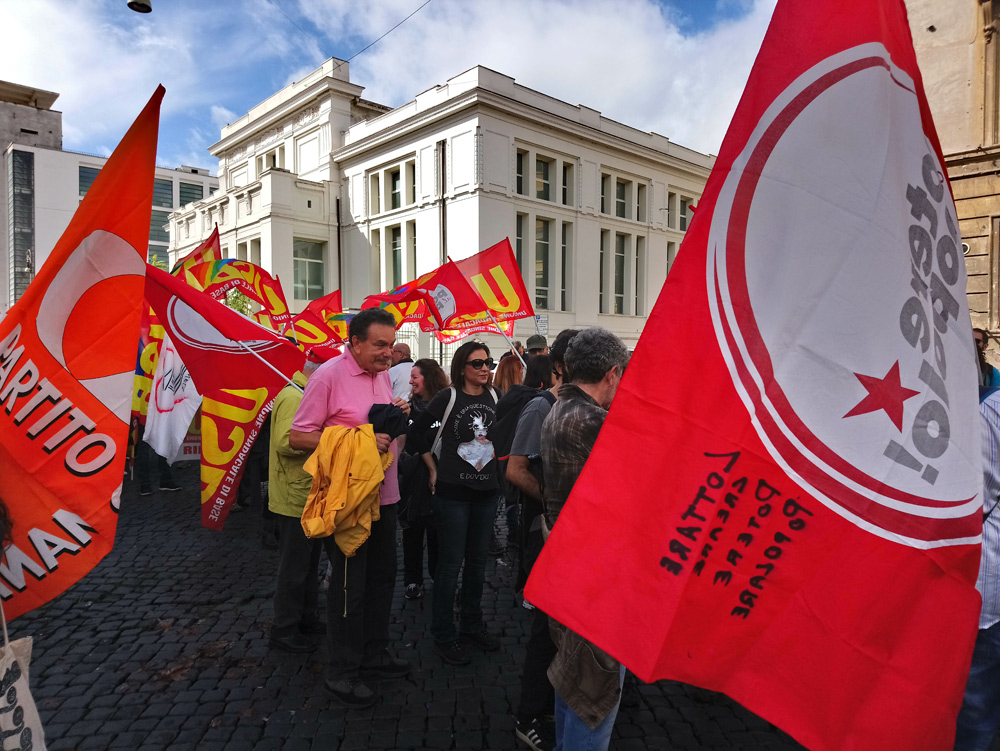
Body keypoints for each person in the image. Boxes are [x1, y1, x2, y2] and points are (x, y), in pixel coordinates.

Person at [289, 307, 411, 708]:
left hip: (385, 497)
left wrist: (395, 416)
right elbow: (299, 437)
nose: (388, 353)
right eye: (380, 345)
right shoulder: (328, 376)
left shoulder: (379, 377)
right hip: (348, 505)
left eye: (391, 346)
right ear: (354, 343)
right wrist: (357, 439)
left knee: (380, 582)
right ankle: (342, 671)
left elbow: (374, 432)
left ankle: (374, 655)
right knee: (347, 590)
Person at [540, 327, 629, 751]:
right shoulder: (594, 421)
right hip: (595, 573)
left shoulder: (561, 408)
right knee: (595, 690)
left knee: (574, 676)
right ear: (612, 373)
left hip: (569, 561)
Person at [410, 340, 502, 666]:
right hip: (452, 496)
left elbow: (500, 438)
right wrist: (433, 466)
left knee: (478, 564)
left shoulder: (495, 397)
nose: (485, 368)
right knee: (450, 567)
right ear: (462, 367)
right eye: (478, 363)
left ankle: (473, 625)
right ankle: (444, 634)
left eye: (488, 362)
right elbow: (415, 433)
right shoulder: (448, 397)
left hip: (486, 494)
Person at [507, 331, 577, 751]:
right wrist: (561, 506)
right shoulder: (541, 407)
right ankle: (529, 714)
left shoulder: (592, 408)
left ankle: (562, 700)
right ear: (559, 366)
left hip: (582, 540)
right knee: (544, 631)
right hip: (546, 533)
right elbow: (515, 471)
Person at [268, 350, 327, 653]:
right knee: (294, 568)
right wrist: (331, 436)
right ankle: (284, 628)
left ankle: (306, 618)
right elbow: (285, 442)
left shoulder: (304, 393)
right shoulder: (294, 397)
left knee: (309, 563)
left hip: (308, 494)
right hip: (294, 496)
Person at [955, 384, 1000, 751]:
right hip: (991, 594)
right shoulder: (992, 409)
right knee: (977, 711)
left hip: (989, 592)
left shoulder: (991, 408)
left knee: (977, 711)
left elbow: (972, 505)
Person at [400, 358, 449, 600]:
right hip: (414, 481)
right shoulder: (408, 407)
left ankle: (438, 577)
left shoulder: (446, 406)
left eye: (415, 377)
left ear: (428, 378)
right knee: (412, 531)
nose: (410, 381)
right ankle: (412, 580)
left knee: (438, 532)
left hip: (441, 479)